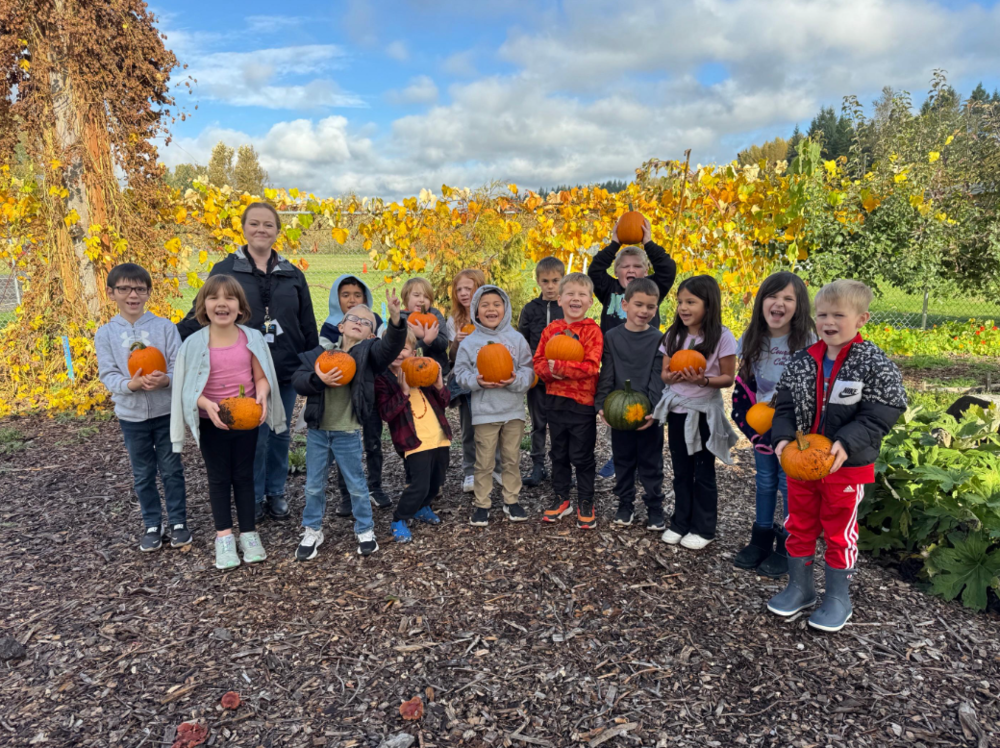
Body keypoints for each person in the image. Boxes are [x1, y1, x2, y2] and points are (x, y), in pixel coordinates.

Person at [767, 280, 906, 632]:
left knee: (839, 531)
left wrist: (846, 441)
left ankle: (837, 597)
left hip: (847, 467)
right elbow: (783, 405)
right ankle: (800, 587)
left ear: (861, 319)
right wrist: (782, 438)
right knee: (798, 524)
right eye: (822, 315)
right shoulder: (803, 361)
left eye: (838, 315)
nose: (828, 322)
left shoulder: (873, 363)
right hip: (801, 464)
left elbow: (882, 411)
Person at [177, 202, 317, 524]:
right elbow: (201, 312)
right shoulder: (225, 269)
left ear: (277, 232)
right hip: (243, 372)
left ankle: (275, 492)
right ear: (243, 228)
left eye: (268, 225)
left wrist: (311, 365)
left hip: (282, 368)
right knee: (255, 435)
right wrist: (169, 337)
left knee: (280, 432)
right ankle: (252, 496)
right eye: (254, 224)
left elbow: (307, 323)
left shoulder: (293, 274)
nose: (261, 230)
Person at [170, 275, 285, 570]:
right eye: (214, 298)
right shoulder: (194, 344)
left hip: (246, 420)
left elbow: (262, 376)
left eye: (230, 298)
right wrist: (204, 403)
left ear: (240, 306)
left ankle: (248, 534)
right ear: (203, 306)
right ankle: (223, 537)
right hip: (212, 422)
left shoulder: (252, 338)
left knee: (245, 476)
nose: (222, 303)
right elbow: (186, 387)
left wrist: (261, 394)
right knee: (219, 478)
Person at [291, 290, 405, 560]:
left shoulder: (368, 355)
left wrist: (397, 320)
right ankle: (313, 529)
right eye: (353, 318)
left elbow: (389, 348)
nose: (359, 322)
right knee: (314, 484)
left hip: (347, 432)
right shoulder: (318, 355)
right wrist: (317, 379)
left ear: (370, 334)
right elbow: (299, 380)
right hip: (318, 432)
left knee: (356, 483)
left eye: (366, 322)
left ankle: (365, 528)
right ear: (340, 326)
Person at [96, 263, 189, 552]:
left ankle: (177, 521)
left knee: (172, 469)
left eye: (138, 289)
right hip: (131, 416)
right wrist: (130, 386)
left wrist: (167, 381)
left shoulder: (164, 327)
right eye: (124, 288)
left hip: (165, 413)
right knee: (143, 473)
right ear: (111, 293)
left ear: (148, 292)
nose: (132, 295)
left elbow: (178, 366)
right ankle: (152, 522)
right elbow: (108, 374)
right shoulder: (106, 334)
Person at [731, 272, 817, 577]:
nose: (779, 303)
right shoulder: (752, 338)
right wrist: (750, 427)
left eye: (788, 298)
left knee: (787, 484)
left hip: (796, 429)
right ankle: (761, 539)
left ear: (799, 306)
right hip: (762, 427)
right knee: (765, 482)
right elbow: (745, 384)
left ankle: (788, 545)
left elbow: (813, 389)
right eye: (772, 296)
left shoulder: (808, 341)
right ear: (761, 302)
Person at [651, 275, 739, 550]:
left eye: (691, 302)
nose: (683, 307)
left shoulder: (722, 336)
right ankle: (680, 521)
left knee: (703, 471)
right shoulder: (674, 335)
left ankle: (704, 527)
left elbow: (728, 378)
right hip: (678, 411)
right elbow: (665, 374)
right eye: (680, 302)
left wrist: (703, 381)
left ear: (708, 305)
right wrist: (674, 377)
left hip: (704, 414)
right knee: (680, 471)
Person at [588, 214, 677, 480]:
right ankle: (620, 458)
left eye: (637, 266)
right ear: (616, 272)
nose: (630, 270)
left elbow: (668, 269)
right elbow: (594, 270)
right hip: (616, 357)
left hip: (646, 357)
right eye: (624, 266)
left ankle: (645, 460)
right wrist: (614, 243)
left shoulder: (653, 289)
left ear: (646, 271)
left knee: (645, 402)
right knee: (618, 406)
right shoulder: (609, 289)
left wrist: (648, 243)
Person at [453, 286, 535, 526]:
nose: (491, 309)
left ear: (505, 308)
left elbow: (528, 371)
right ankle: (482, 503)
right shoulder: (470, 343)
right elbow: (460, 373)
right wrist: (475, 382)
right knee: (485, 460)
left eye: (496, 304)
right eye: (485, 304)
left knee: (511, 458)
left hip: (513, 412)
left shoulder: (516, 339)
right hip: (484, 413)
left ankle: (511, 500)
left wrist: (515, 381)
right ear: (476, 311)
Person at [533, 273, 603, 529]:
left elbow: (591, 366)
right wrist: (550, 372)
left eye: (581, 294)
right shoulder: (551, 330)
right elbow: (539, 360)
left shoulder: (592, 331)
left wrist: (561, 367)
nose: (576, 298)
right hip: (554, 400)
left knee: (582, 454)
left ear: (590, 301)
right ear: (559, 299)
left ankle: (586, 500)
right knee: (559, 452)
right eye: (570, 294)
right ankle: (562, 497)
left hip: (582, 403)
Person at [595, 278, 666, 530]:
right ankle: (625, 504)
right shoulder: (612, 337)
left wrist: (655, 412)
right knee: (623, 460)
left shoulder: (659, 338)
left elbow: (658, 377)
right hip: (619, 412)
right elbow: (607, 372)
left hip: (649, 413)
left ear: (656, 309)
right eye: (638, 304)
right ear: (624, 305)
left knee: (651, 463)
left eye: (650, 306)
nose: (644, 311)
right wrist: (601, 404)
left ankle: (655, 507)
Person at [320, 274, 391, 514]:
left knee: (372, 440)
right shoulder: (331, 326)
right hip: (342, 397)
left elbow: (384, 351)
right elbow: (324, 358)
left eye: (357, 295)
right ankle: (346, 494)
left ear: (366, 297)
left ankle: (375, 487)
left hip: (370, 391)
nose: (351, 300)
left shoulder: (374, 322)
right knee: (344, 445)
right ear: (336, 298)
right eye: (345, 295)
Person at [375, 330, 452, 542]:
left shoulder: (423, 372)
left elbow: (446, 402)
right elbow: (386, 413)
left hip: (439, 435)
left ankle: (422, 507)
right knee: (419, 483)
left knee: (437, 480)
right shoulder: (384, 380)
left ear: (413, 351)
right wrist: (403, 392)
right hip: (414, 441)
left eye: (405, 348)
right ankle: (399, 518)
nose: (400, 353)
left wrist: (439, 385)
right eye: (395, 348)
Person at [517, 256, 565, 487]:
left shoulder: (567, 308)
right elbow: (522, 342)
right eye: (545, 281)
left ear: (562, 280)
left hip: (561, 376)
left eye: (555, 280)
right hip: (537, 376)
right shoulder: (530, 309)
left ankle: (559, 466)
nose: (550, 286)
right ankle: (538, 465)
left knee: (559, 422)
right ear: (538, 281)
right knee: (538, 423)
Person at [446, 268, 487, 493]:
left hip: (491, 379)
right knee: (469, 427)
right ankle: (470, 471)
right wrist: (457, 343)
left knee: (491, 426)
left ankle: (493, 468)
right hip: (466, 383)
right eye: (458, 289)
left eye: (467, 288)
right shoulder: (454, 322)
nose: (463, 293)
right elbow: (452, 359)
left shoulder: (490, 314)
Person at [400, 277, 450, 375]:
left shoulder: (435, 315)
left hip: (438, 371)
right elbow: (405, 350)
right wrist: (425, 341)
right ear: (406, 297)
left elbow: (443, 344)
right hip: (411, 371)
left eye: (426, 297)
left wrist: (424, 335)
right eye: (416, 295)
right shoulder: (401, 318)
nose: (422, 300)